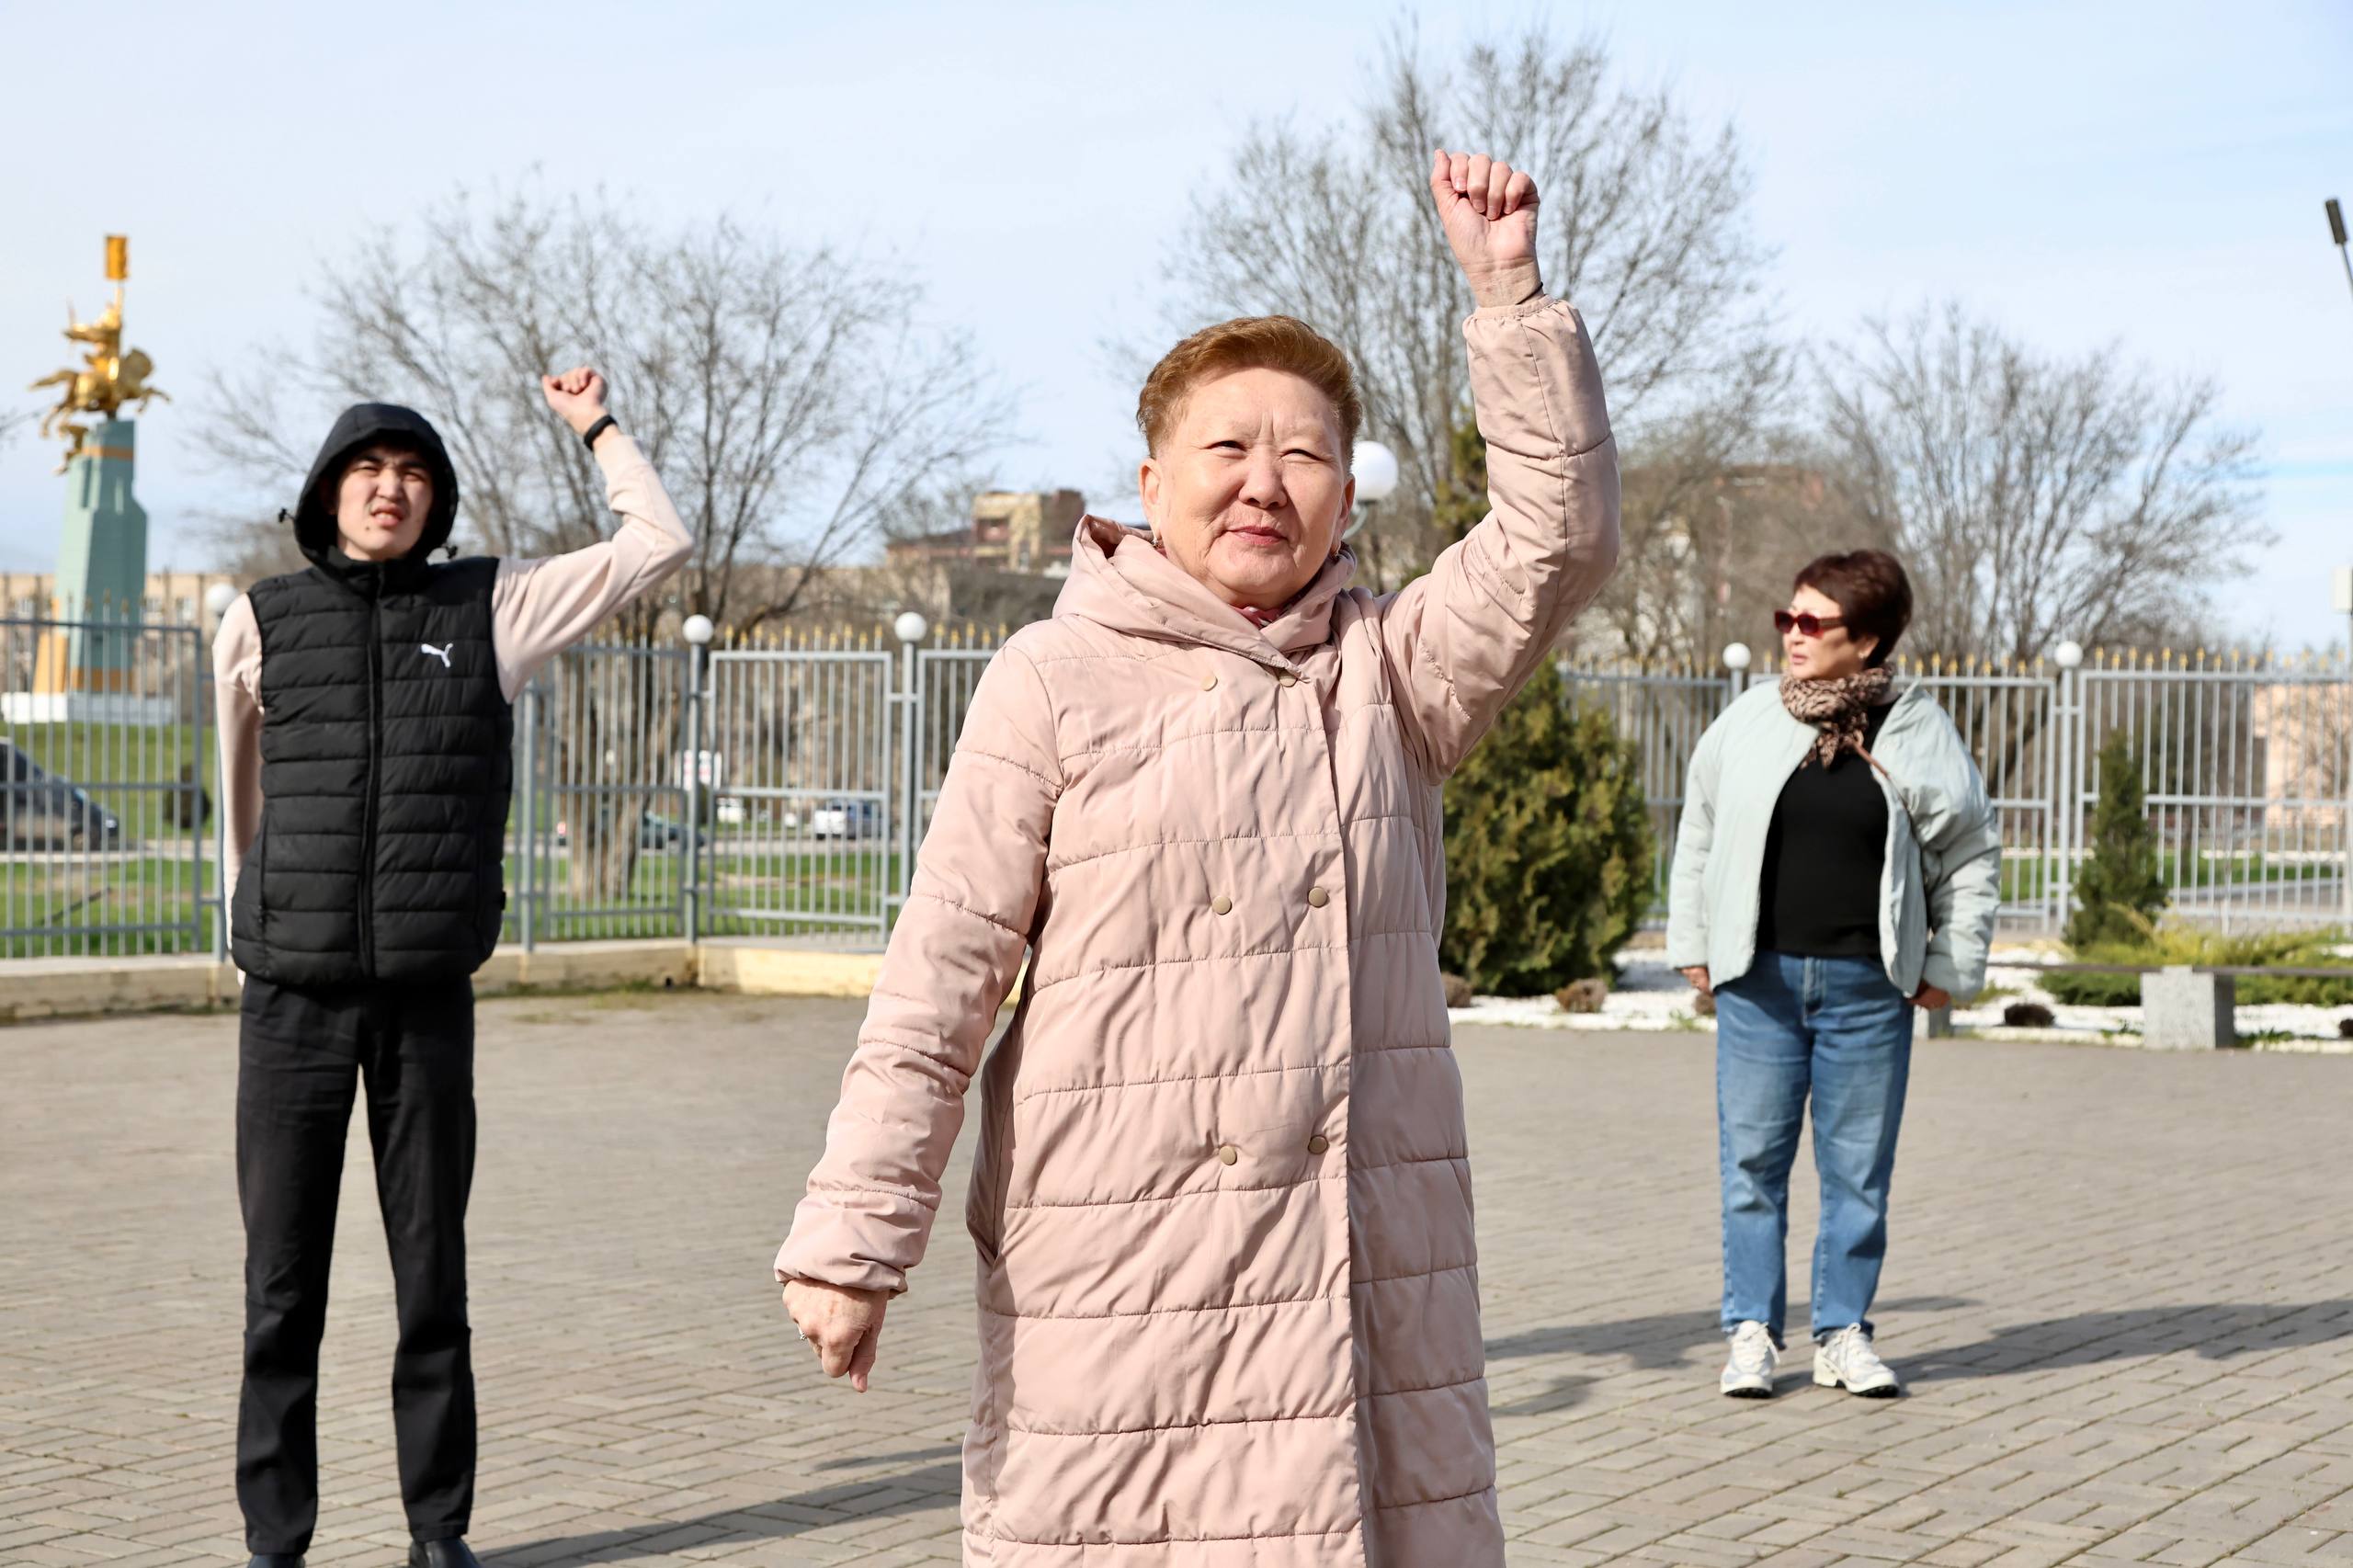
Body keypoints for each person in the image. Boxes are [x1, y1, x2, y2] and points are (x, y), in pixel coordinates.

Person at [774, 151, 1618, 1565]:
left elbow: (1555, 539)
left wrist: (1508, 296)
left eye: (1303, 455)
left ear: (1346, 498)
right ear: (1153, 479)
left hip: (1356, 1272)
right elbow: (942, 973)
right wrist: (855, 1237)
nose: (1263, 484)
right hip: (1120, 1270)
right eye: (1228, 449)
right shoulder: (1052, 676)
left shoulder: (1393, 671)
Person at [214, 371, 691, 1568]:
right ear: (328, 492)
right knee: (282, 1293)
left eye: (414, 471)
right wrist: (255, 934)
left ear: (438, 498)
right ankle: (277, 1541)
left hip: (426, 1005)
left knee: (433, 1284)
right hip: (290, 1008)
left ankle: (439, 1531)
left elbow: (659, 541)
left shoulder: (498, 610)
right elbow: (244, 798)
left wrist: (595, 426)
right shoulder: (259, 618)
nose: (392, 488)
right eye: (369, 469)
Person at [1666, 551, 2000, 1400]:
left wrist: (1950, 965)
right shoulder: (1749, 720)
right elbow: (1699, 829)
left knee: (1858, 1174)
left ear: (1870, 640)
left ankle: (1843, 1333)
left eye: (1814, 623)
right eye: (1788, 618)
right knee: (1751, 1165)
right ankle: (1751, 1332)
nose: (1792, 635)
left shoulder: (1918, 732)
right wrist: (1694, 940)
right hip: (1759, 983)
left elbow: (1967, 854)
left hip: (1867, 990)